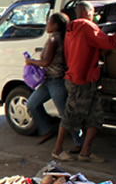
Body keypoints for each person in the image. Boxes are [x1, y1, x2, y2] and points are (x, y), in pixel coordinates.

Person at [52, 1, 116, 163]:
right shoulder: (88, 26)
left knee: (96, 116)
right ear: (89, 12)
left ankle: (85, 152)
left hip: (82, 78)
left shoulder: (72, 28)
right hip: (82, 79)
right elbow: (108, 42)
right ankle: (57, 150)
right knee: (71, 116)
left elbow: (87, 47)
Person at [25, 13, 83, 147]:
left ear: (55, 25)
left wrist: (31, 61)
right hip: (49, 80)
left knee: (64, 113)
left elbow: (46, 62)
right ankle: (46, 129)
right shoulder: (62, 38)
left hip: (56, 81)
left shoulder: (54, 40)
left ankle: (78, 141)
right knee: (32, 104)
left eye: (49, 22)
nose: (47, 25)